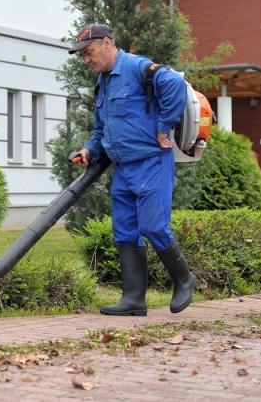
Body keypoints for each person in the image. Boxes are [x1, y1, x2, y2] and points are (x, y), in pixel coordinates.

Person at [70, 23, 196, 316]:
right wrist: (89, 150)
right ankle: (134, 300)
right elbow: (102, 130)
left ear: (106, 44)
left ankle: (184, 279)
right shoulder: (102, 84)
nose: (87, 59)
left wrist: (164, 128)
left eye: (89, 52)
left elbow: (176, 85)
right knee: (125, 232)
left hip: (151, 162)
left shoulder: (138, 68)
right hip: (124, 169)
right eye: (83, 56)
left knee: (153, 226)